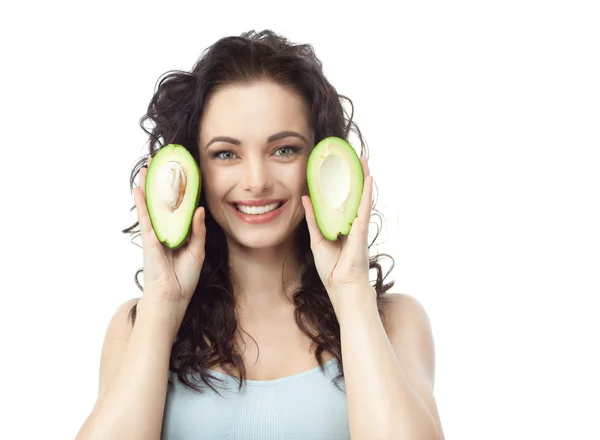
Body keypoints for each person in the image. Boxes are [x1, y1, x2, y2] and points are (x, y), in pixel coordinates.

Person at [75, 29, 444, 440]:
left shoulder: (396, 323)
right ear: (196, 168)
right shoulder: (134, 327)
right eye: (226, 154)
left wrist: (351, 291)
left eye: (283, 149)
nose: (256, 182)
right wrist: (163, 304)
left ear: (319, 161)